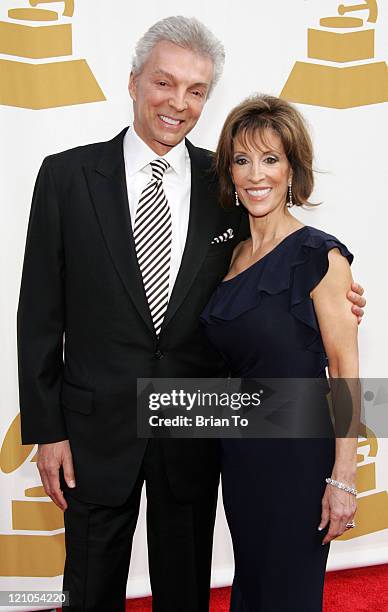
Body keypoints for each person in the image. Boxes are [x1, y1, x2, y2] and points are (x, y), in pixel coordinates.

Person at [16, 17, 365, 612]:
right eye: (164, 83)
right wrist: (48, 431)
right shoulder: (66, 177)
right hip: (96, 432)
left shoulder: (224, 183)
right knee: (90, 591)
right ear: (133, 83)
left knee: (185, 592)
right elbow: (39, 316)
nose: (178, 103)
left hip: (197, 430)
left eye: (196, 90)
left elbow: (278, 271)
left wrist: (335, 289)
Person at [200, 94, 360, 612]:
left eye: (271, 159)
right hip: (241, 456)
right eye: (242, 160)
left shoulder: (320, 255)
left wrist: (343, 479)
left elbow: (345, 375)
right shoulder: (230, 255)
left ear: (293, 168)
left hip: (297, 460)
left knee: (287, 594)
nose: (255, 175)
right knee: (252, 584)